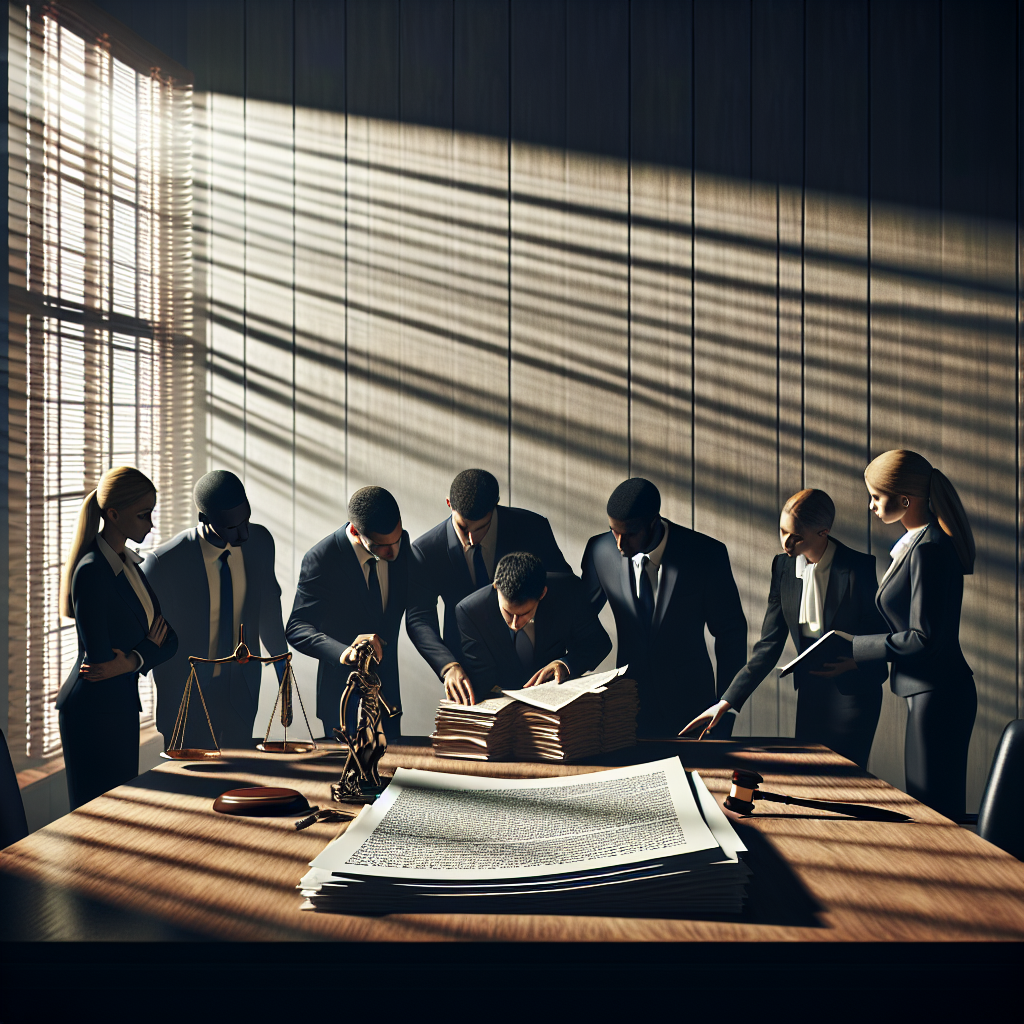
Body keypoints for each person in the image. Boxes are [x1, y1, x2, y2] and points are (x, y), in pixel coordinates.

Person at [681, 489, 888, 767]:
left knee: (845, 778)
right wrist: (726, 702)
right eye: (782, 531)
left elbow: (878, 636)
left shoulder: (858, 567)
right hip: (811, 694)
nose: (786, 543)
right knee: (809, 776)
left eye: (796, 536)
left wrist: (853, 662)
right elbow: (769, 645)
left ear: (824, 532)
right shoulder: (783, 567)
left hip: (853, 693)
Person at [845, 450, 976, 818]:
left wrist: (855, 647)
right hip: (929, 691)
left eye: (876, 497)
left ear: (905, 500)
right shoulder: (918, 544)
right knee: (930, 804)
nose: (871, 506)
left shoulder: (929, 549)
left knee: (935, 809)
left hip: (938, 694)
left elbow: (923, 637)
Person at [581, 478, 747, 738]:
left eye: (630, 534)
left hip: (692, 709)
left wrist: (727, 707)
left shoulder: (705, 554)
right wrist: (566, 663)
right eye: (614, 531)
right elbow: (580, 619)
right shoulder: (599, 551)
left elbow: (731, 633)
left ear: (653, 523)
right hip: (628, 711)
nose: (620, 544)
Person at [55, 467, 178, 809]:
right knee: (95, 814)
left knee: (119, 808)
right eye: (143, 515)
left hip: (120, 705)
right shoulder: (93, 571)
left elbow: (170, 639)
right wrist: (147, 649)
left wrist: (133, 659)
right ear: (113, 514)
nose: (150, 525)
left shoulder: (129, 565)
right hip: (92, 711)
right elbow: (101, 661)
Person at [141, 470, 289, 750]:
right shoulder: (164, 563)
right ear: (204, 519)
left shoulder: (259, 542)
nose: (244, 534)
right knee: (193, 776)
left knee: (241, 769)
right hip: (187, 695)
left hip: (241, 688)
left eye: (246, 520)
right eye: (232, 527)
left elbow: (268, 609)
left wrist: (282, 666)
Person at [406, 468, 572, 705]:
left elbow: (563, 589)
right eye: (463, 528)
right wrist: (448, 665)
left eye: (481, 527)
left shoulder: (532, 527)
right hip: (469, 673)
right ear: (449, 504)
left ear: (496, 505)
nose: (472, 539)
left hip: (537, 668)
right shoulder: (426, 550)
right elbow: (419, 618)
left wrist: (568, 657)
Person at [286, 485, 410, 739]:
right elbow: (297, 628)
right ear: (355, 532)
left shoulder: (399, 542)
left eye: (397, 540)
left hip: (388, 698)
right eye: (382, 546)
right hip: (341, 700)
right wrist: (345, 651)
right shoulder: (322, 558)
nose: (393, 552)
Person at [455, 552, 611, 700]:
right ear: (496, 587)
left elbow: (598, 644)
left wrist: (565, 664)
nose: (514, 624)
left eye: (524, 614)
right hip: (502, 703)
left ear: (542, 594)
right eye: (508, 613)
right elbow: (481, 677)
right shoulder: (470, 612)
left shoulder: (568, 591)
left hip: (555, 698)